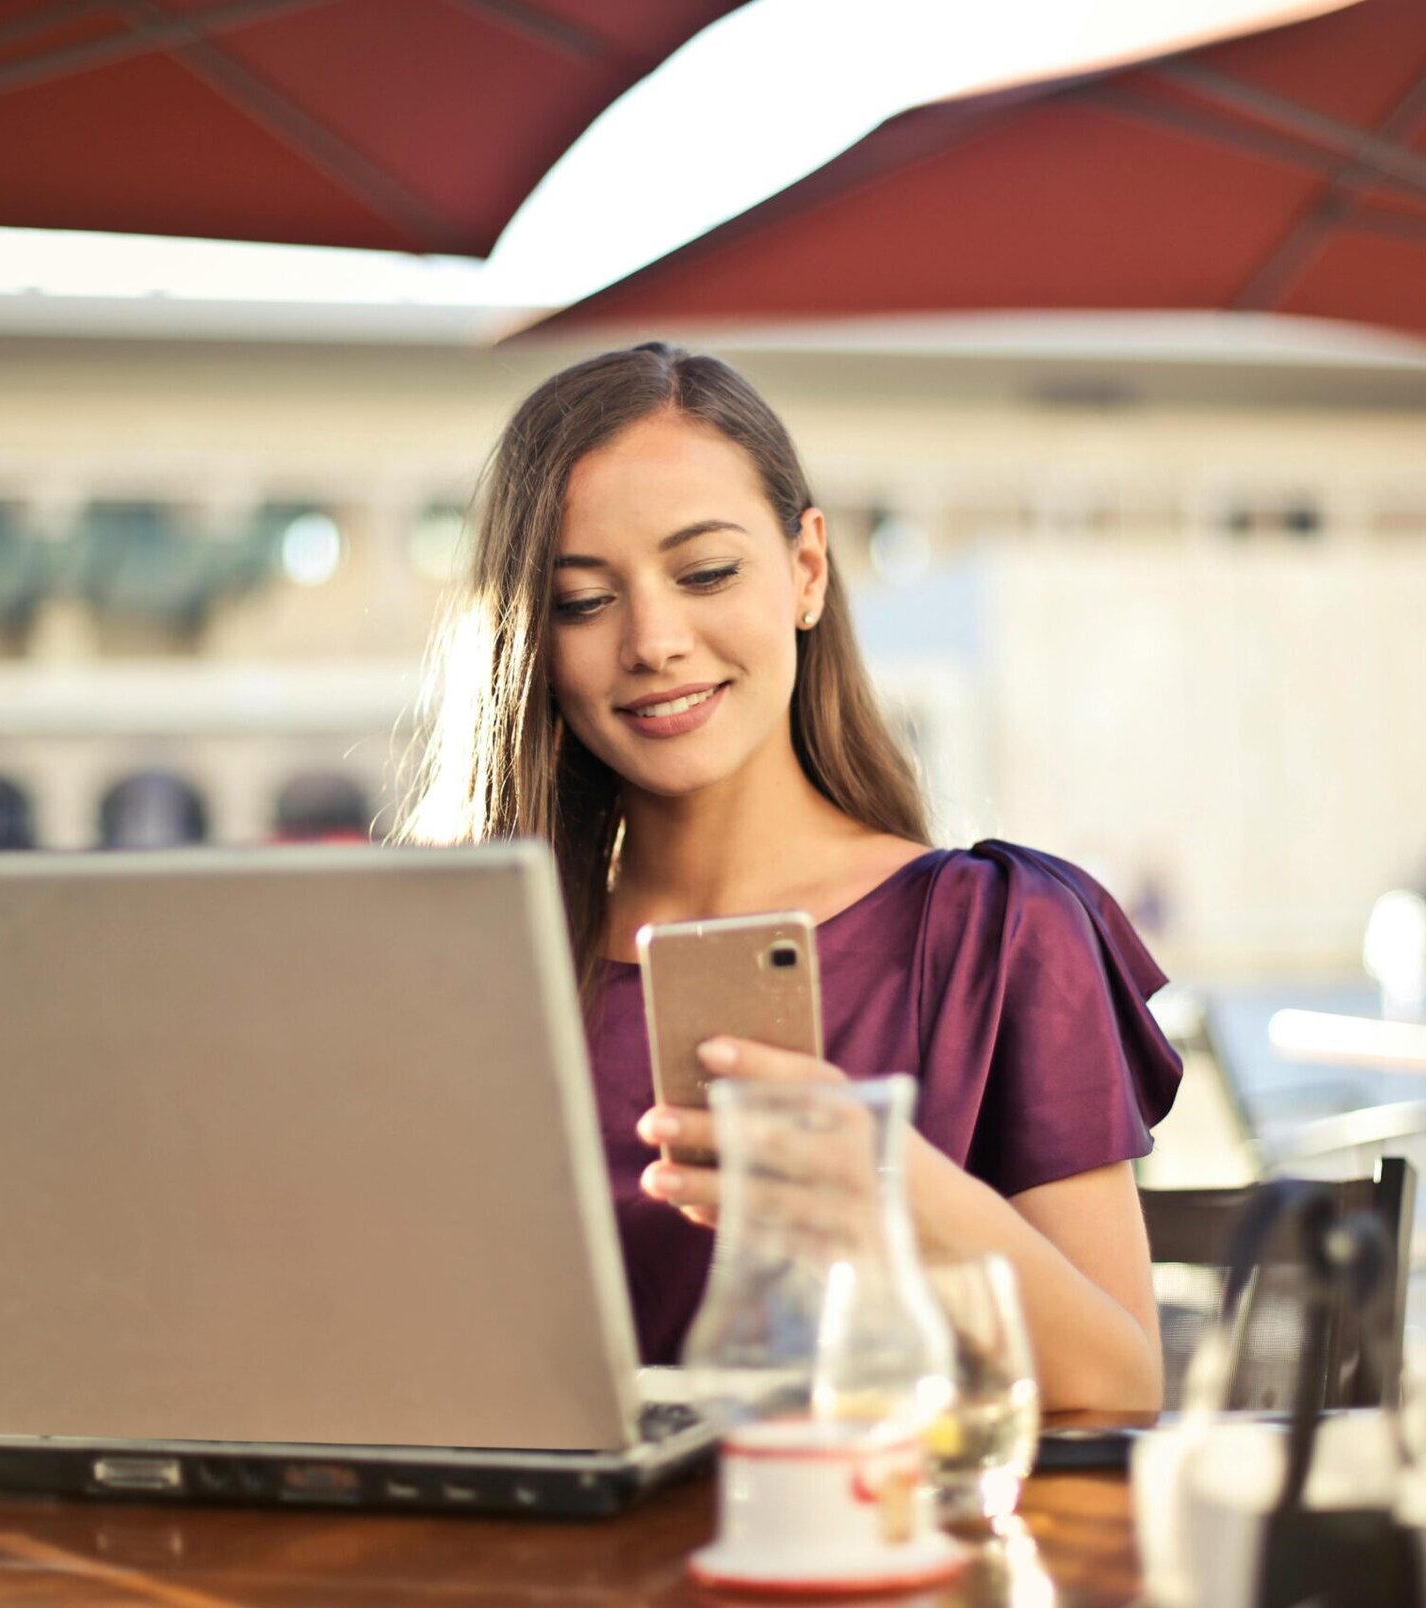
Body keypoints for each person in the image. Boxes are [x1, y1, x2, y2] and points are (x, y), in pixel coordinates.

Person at [403, 343, 1181, 1411]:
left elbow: (1122, 1382)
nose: (655, 642)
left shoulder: (996, 931)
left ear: (805, 570)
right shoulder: (464, 961)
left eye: (706, 573)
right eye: (583, 601)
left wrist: (886, 1185)